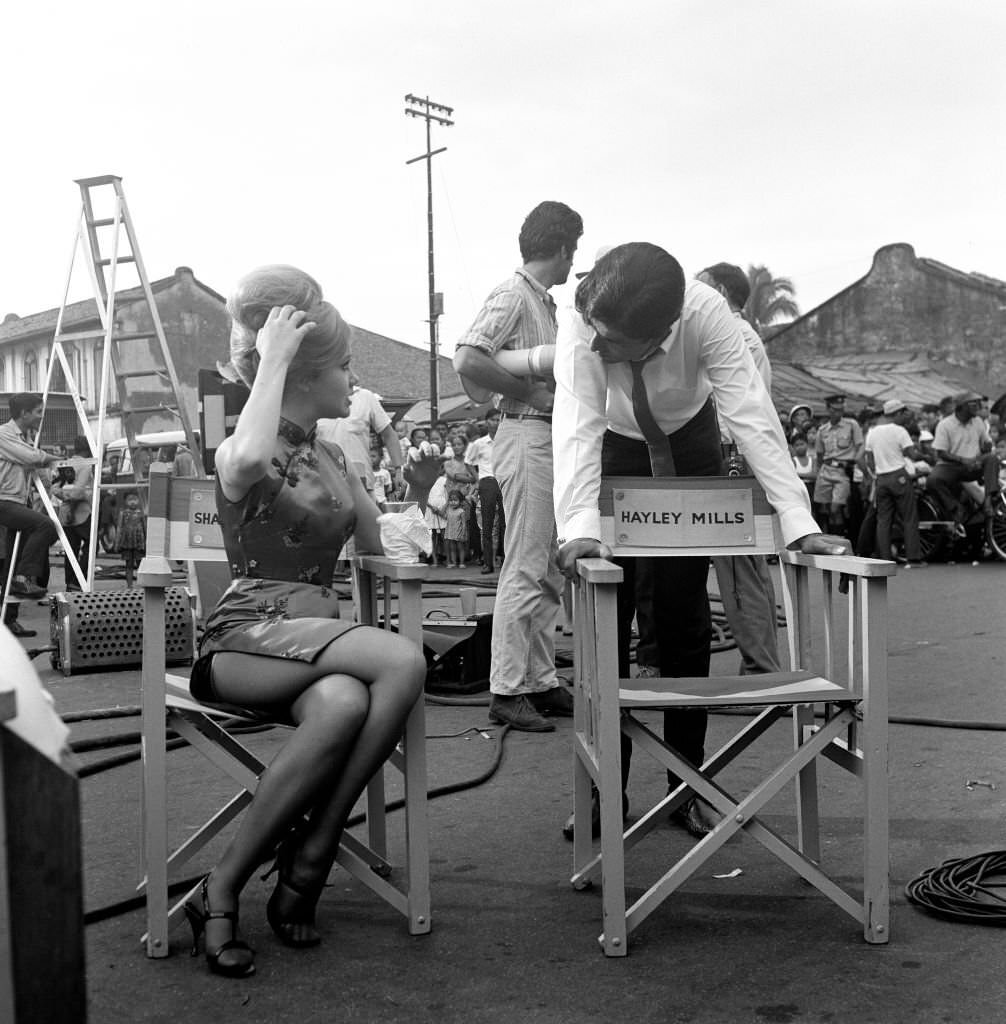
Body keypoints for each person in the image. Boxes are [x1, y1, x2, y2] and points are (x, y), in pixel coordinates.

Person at [553, 243, 848, 838]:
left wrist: (799, 523)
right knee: (605, 617)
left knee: (684, 615)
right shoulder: (581, 316)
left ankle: (686, 788)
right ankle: (602, 791)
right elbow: (578, 420)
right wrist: (580, 529)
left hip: (690, 444)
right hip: (616, 447)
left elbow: (750, 412)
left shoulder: (707, 312)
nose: (597, 347)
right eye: (596, 333)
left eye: (612, 343)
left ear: (662, 333)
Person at [183, 265, 426, 978]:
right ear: (301, 372)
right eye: (344, 365)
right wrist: (276, 353)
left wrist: (381, 495)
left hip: (322, 648)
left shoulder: (330, 452)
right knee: (403, 661)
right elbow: (254, 455)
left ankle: (221, 885)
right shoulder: (238, 449)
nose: (355, 378)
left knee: (349, 699)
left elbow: (377, 541)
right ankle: (312, 855)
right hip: (242, 640)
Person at [453, 200, 583, 731]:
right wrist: (527, 388)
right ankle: (508, 687)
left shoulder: (542, 303)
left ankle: (539, 679)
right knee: (527, 562)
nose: (572, 261)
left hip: (540, 435)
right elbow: (467, 357)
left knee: (547, 565)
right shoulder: (513, 294)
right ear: (560, 248)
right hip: (525, 430)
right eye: (571, 250)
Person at [696, 262, 781, 676]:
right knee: (741, 565)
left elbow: (733, 403)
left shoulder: (732, 333)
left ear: (721, 291)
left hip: (732, 452)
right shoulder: (740, 333)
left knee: (737, 567)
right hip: (737, 452)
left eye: (703, 282)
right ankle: (760, 663)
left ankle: (761, 669)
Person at [0, 393, 59, 600]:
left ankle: (7, 619)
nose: (41, 417)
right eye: (38, 412)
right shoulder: (3, 434)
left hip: (17, 500)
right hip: (4, 500)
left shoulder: (26, 438)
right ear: (24, 414)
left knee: (13, 557)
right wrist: (53, 458)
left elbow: (37, 467)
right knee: (46, 526)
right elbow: (31, 457)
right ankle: (23, 577)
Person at [317, 371, 403, 497]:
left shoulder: (365, 397)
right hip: (325, 485)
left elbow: (389, 435)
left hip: (363, 484)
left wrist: (398, 470)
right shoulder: (315, 398)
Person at [925, 390, 1000, 525]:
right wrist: (962, 460)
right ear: (962, 406)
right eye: (974, 403)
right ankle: (955, 509)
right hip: (952, 467)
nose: (978, 405)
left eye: (978, 403)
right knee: (932, 480)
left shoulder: (978, 422)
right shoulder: (945, 425)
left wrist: (986, 447)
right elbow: (941, 453)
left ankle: (988, 501)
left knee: (992, 459)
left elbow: (986, 443)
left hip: (973, 465)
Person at [864, 399, 924, 566]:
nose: (905, 416)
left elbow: (868, 458)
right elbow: (912, 455)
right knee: (909, 517)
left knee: (884, 520)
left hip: (881, 478)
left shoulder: (872, 432)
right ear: (896, 413)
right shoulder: (900, 431)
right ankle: (913, 558)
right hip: (899, 476)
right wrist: (926, 456)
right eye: (903, 413)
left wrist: (876, 474)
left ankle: (885, 559)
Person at [814, 394, 864, 537]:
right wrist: (819, 473)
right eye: (835, 410)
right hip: (826, 470)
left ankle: (839, 537)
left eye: (841, 410)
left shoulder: (851, 425)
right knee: (825, 510)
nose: (838, 413)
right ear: (828, 409)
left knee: (836, 508)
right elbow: (819, 454)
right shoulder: (822, 430)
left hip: (843, 471)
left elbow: (860, 445)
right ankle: (832, 538)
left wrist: (855, 459)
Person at [52, 435, 95, 591]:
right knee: (92, 545)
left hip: (65, 516)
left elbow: (54, 489)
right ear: (88, 448)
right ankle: (78, 580)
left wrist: (66, 497)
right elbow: (79, 491)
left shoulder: (66, 464)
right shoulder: (86, 465)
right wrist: (74, 498)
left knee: (71, 550)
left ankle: (70, 584)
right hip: (81, 514)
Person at [463, 411, 504, 574]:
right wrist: (477, 478)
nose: (496, 422)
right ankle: (488, 562)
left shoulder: (506, 441)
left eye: (498, 419)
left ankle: (505, 559)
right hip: (487, 480)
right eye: (493, 420)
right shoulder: (479, 443)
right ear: (487, 422)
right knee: (487, 524)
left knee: (506, 522)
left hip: (504, 480)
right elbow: (468, 462)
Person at [114, 491, 147, 588]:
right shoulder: (123, 513)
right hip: (126, 542)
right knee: (129, 564)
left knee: (140, 563)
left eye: (135, 500)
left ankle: (142, 584)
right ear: (125, 501)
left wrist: (146, 542)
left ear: (139, 501)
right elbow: (119, 527)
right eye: (130, 500)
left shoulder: (141, 513)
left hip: (139, 542)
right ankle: (129, 585)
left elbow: (145, 528)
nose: (133, 502)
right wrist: (117, 543)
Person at [444, 488, 469, 569]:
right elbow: (445, 518)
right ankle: (454, 562)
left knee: (460, 548)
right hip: (450, 532)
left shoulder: (461, 511)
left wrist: (463, 533)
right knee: (452, 548)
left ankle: (461, 563)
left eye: (455, 500)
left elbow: (464, 524)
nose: (453, 502)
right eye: (451, 500)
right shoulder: (448, 510)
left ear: (460, 501)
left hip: (459, 532)